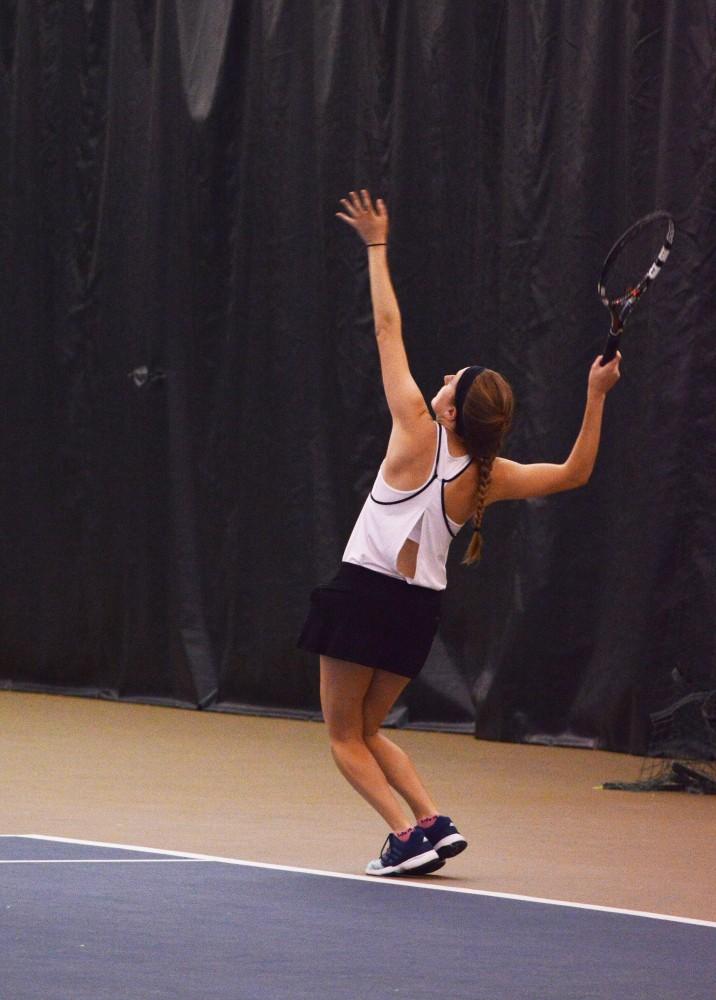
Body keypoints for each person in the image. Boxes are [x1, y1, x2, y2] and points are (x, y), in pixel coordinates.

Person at [298, 190, 621, 877]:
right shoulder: (490, 474)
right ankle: (431, 821)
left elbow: (387, 330)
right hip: (415, 613)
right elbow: (572, 473)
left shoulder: (414, 426)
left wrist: (376, 246)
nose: (442, 378)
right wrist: (595, 398)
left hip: (361, 595)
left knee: (341, 737)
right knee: (372, 728)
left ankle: (402, 835)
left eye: (452, 380)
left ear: (450, 409)